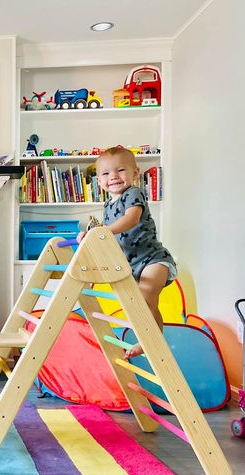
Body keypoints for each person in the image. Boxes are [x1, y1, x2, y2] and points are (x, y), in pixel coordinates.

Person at [77, 146, 176, 358]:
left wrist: (101, 231)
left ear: (135, 173)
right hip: (130, 266)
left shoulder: (133, 194)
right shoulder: (108, 204)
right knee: (146, 305)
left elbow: (131, 219)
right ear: (99, 181)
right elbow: (105, 232)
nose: (113, 176)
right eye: (105, 173)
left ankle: (147, 341)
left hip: (153, 260)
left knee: (145, 297)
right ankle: (152, 339)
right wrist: (89, 234)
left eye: (120, 170)